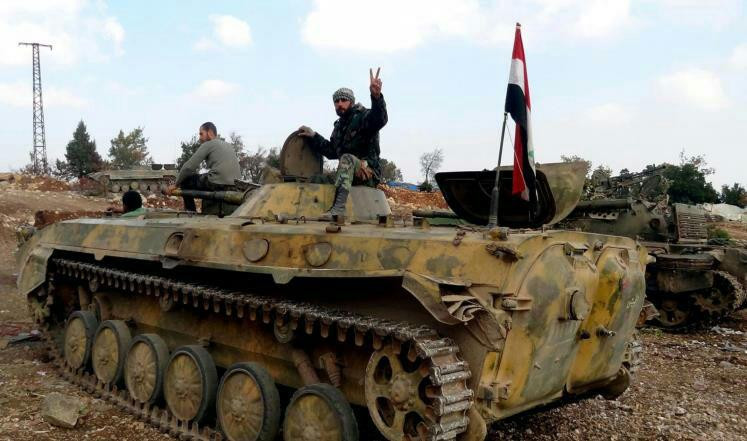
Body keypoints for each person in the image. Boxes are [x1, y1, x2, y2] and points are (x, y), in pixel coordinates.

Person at [298, 68, 387, 219]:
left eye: (344, 100)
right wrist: (313, 136)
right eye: (336, 101)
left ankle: (338, 209)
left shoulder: (363, 117)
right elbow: (332, 151)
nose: (340, 104)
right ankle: (308, 213)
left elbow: (379, 119)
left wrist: (376, 97)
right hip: (347, 174)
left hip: (367, 172)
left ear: (351, 102)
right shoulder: (339, 127)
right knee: (317, 179)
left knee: (347, 158)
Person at [169, 122, 241, 212]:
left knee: (185, 180)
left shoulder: (208, 144)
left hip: (217, 182)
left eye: (201, 134)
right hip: (235, 185)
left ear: (209, 132)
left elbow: (188, 167)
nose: (200, 138)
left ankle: (191, 212)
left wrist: (176, 185)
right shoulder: (228, 145)